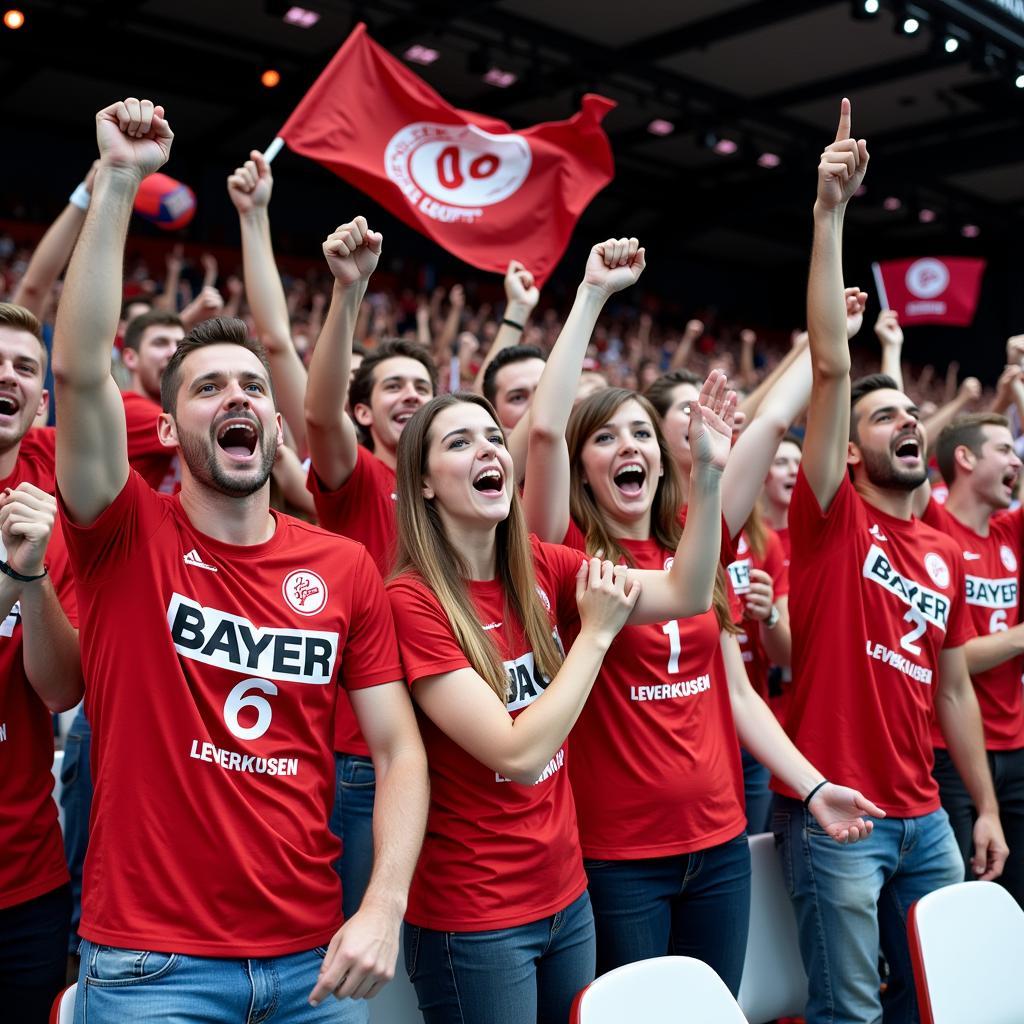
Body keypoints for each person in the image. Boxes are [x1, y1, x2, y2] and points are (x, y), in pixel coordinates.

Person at [53, 96, 428, 1023]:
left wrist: (382, 905)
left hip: (313, 965)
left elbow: (397, 748)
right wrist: (119, 182)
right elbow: (77, 373)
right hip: (152, 969)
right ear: (170, 425)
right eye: (210, 387)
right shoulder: (124, 532)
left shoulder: (341, 567)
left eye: (256, 386)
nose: (241, 398)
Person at [523, 237, 881, 994]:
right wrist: (590, 295)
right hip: (618, 856)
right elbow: (547, 432)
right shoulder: (563, 557)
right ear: (585, 466)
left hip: (719, 847)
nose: (629, 448)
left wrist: (814, 789)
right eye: (606, 437)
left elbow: (740, 698)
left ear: (665, 454)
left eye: (641, 435)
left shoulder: (695, 545)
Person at [386, 368, 733, 1023]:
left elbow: (687, 592)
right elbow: (517, 754)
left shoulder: (544, 564)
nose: (487, 449)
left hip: (566, 899)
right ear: (424, 484)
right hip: (478, 914)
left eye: (492, 437)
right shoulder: (412, 602)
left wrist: (706, 478)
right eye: (458, 443)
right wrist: (595, 636)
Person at [774, 98, 1008, 1024]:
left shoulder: (946, 550)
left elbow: (952, 690)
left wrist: (980, 809)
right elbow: (833, 369)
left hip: (927, 823)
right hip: (843, 820)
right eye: (886, 417)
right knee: (851, 1014)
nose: (906, 420)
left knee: (950, 1004)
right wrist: (830, 214)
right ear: (849, 449)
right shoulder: (829, 515)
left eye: (911, 414)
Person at [304, 217, 437, 925]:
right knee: (361, 934)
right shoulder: (357, 478)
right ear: (365, 410)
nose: (412, 394)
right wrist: (348, 292)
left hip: (453, 748)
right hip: (365, 759)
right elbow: (319, 418)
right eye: (393, 386)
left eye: (423, 383)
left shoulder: (456, 489)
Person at [0, 302, 82, 1022]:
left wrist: (32, 580)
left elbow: (59, 692)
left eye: (25, 367)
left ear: (40, 403)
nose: (9, 376)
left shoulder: (42, 508)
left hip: (25, 881)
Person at [925, 413, 1024, 906]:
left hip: (1015, 743)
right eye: (1004, 450)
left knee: (1016, 902)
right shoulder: (933, 527)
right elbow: (951, 658)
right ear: (964, 459)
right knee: (963, 901)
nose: (1016, 459)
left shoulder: (1010, 533)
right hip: (949, 749)